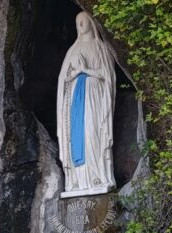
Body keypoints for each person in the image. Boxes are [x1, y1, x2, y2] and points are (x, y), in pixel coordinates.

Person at [57, 11, 116, 197]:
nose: (80, 25)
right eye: (77, 22)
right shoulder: (72, 51)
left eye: (83, 21)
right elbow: (63, 80)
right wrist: (73, 76)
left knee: (92, 134)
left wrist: (85, 70)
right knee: (76, 138)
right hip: (75, 103)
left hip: (94, 100)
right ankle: (79, 181)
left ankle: (99, 177)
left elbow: (108, 76)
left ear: (91, 22)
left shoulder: (101, 48)